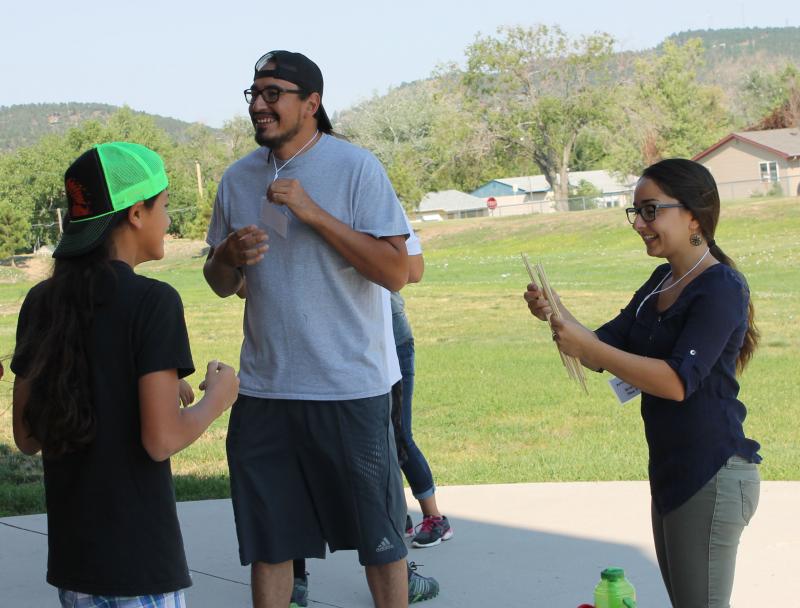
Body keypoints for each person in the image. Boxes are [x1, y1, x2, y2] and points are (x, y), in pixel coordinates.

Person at [203, 50, 412, 608]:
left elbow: (396, 272)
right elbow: (221, 284)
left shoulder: (356, 167)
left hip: (349, 388)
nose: (259, 105)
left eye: (273, 93)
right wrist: (227, 256)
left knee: (379, 540)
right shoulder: (237, 178)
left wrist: (314, 213)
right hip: (265, 392)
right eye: (254, 94)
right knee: (269, 542)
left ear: (311, 103)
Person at [524, 158, 761, 607]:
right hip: (671, 470)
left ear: (694, 215)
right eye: (636, 212)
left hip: (710, 472)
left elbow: (677, 382)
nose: (639, 224)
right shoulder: (661, 280)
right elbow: (602, 347)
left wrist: (591, 349)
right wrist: (555, 313)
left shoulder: (721, 286)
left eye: (651, 210)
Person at [11, 142, 239, 607]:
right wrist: (218, 397)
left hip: (75, 568)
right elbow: (161, 440)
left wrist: (148, 380)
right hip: (139, 569)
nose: (168, 220)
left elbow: (26, 436)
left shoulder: (42, 301)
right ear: (136, 213)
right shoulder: (154, 302)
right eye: (164, 206)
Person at [290, 218, 441, 607]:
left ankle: (402, 568)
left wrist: (358, 249)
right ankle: (294, 581)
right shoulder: (296, 204)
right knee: (303, 469)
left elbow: (409, 271)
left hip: (376, 351)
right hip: (312, 353)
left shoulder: (376, 205)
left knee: (385, 461)